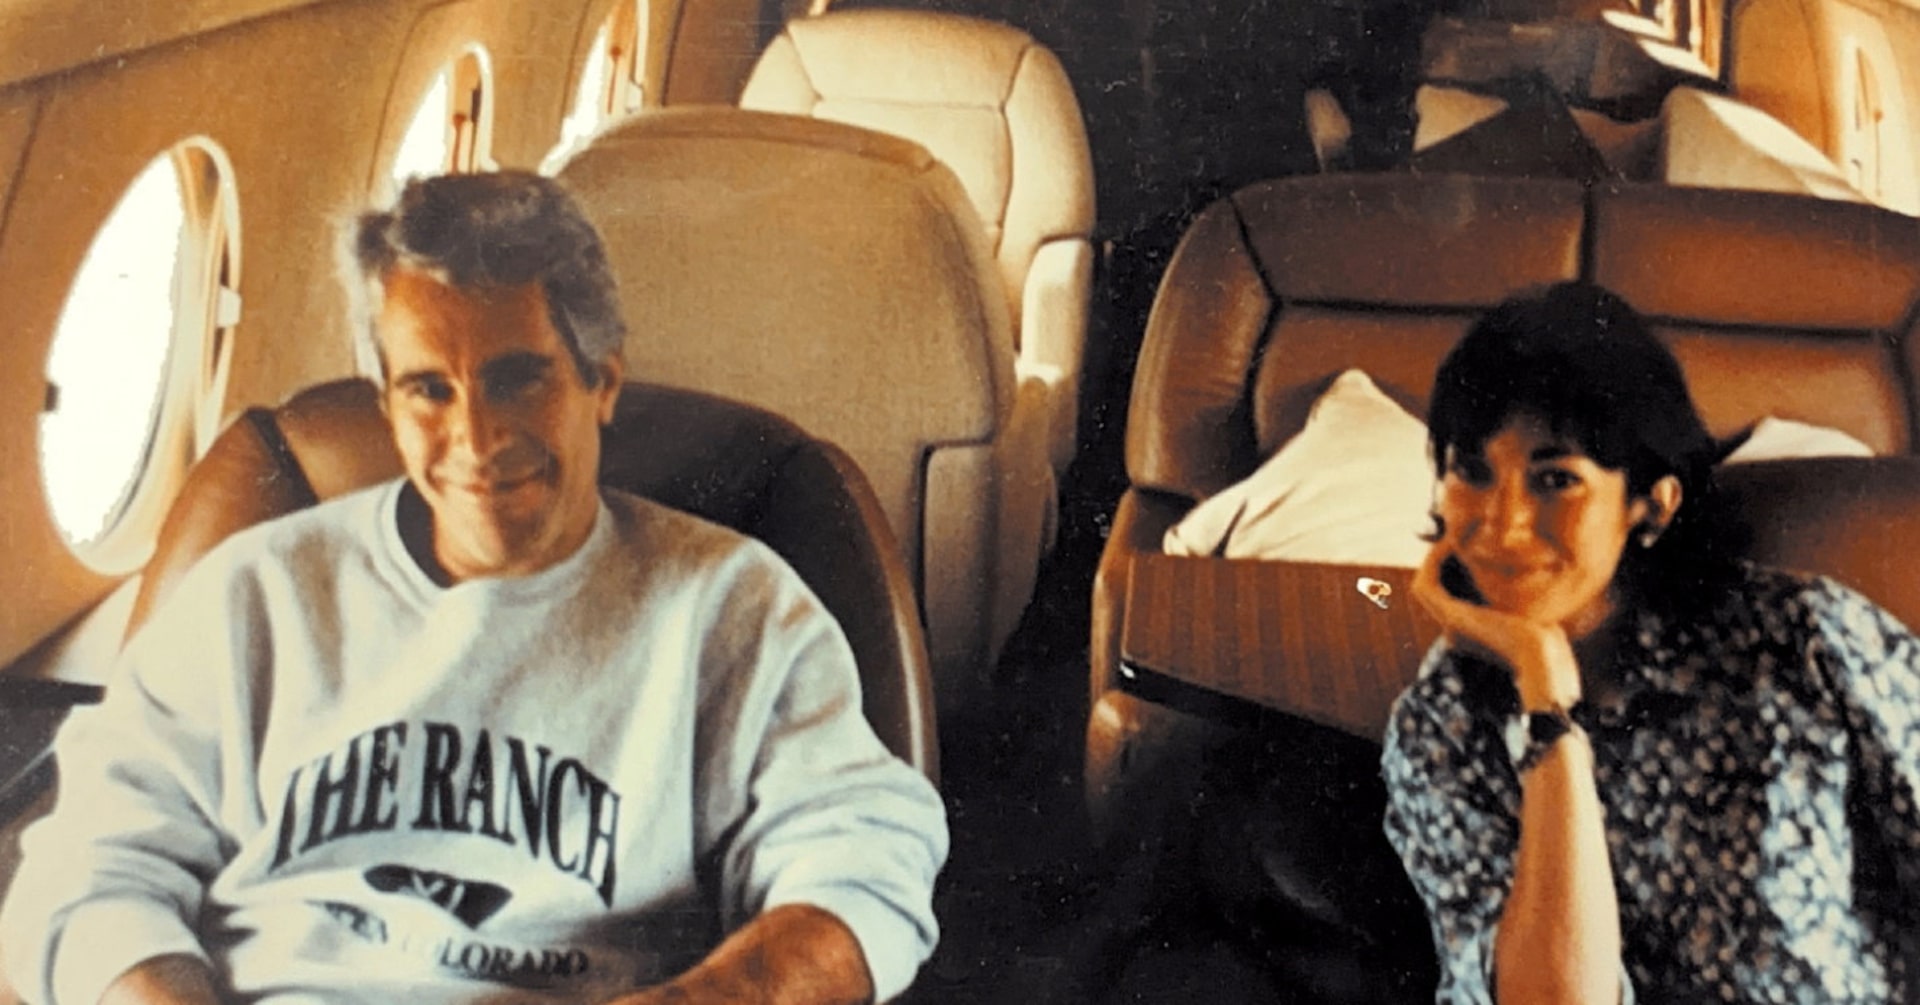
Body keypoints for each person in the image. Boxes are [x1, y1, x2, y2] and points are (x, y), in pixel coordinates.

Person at [0, 171, 948, 1005]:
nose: (477, 438)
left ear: (602, 380)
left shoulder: (733, 609)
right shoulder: (255, 595)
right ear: (386, 401)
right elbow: (85, 869)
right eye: (429, 389)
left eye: (517, 379)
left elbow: (865, 866)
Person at [1382, 280, 1920, 1003]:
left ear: (1651, 505)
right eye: (1471, 472)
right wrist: (1547, 705)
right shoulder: (1440, 724)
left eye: (1555, 479)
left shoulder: (1805, 641)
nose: (1504, 526)